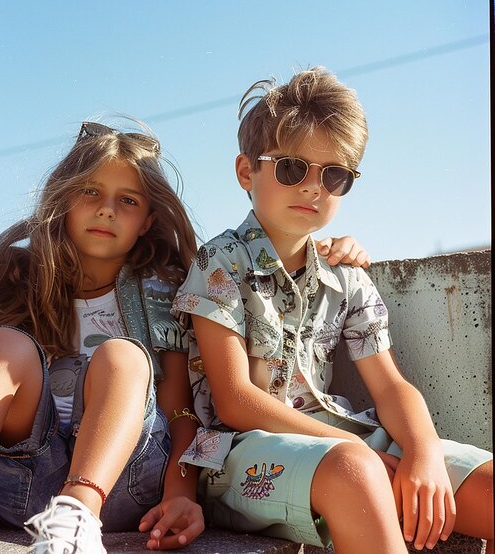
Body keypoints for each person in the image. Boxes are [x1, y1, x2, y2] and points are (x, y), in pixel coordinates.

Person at [0, 117, 370, 554]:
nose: (107, 210)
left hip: (124, 485)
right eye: (90, 192)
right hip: (23, 482)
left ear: (148, 221)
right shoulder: (19, 281)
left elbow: (179, 406)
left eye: (127, 200)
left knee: (122, 357)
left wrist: (180, 493)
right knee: (1, 345)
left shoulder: (166, 290)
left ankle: (75, 519)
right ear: (63, 200)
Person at [172, 68, 494, 554]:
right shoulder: (220, 262)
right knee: (357, 471)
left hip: (345, 439)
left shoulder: (346, 274)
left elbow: (390, 385)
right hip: (238, 458)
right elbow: (236, 401)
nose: (312, 187)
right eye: (291, 168)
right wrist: (356, 450)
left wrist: (424, 453)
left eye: (334, 174)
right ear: (246, 172)